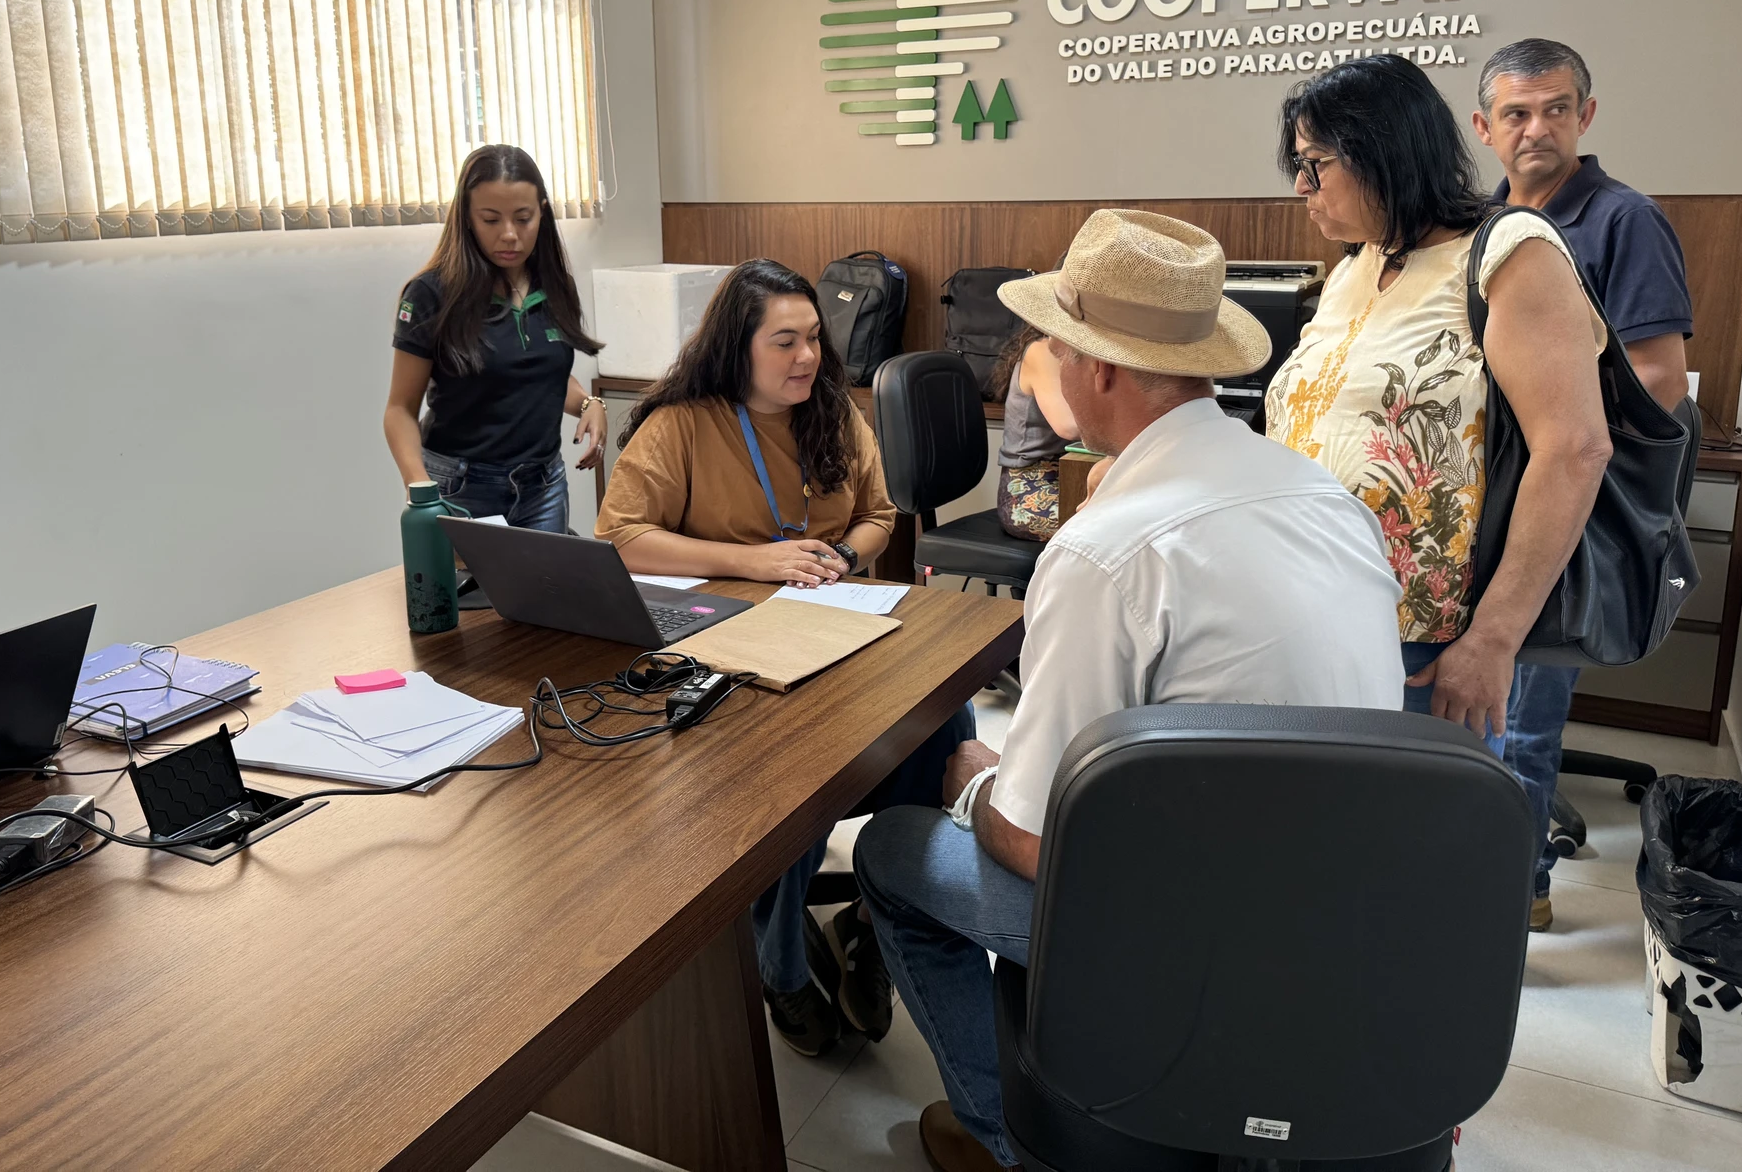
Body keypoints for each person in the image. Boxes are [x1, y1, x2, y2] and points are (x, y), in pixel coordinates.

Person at [853, 210, 1409, 1172]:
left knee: (893, 850)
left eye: (1055, 346)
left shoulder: (1106, 551)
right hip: (1341, 913)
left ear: (1098, 369)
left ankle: (1005, 1137)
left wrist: (976, 784)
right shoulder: (1327, 499)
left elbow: (1033, 842)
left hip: (1192, 945)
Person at [596, 258, 970, 1058]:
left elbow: (878, 515)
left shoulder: (834, 412)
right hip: (733, 645)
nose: (807, 358)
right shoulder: (683, 424)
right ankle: (782, 970)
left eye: (814, 339)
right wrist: (755, 561)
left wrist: (846, 556)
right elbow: (621, 537)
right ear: (737, 348)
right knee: (793, 774)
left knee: (950, 721)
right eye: (784, 342)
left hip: (834, 625)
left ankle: (871, 922)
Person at [1265, 55, 1613, 759]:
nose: (1301, 186)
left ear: (1382, 154)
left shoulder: (1509, 252)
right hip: (1307, 612)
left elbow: (1575, 448)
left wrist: (1493, 638)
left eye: (1314, 164)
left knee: (1418, 822)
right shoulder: (1355, 266)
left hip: (1422, 638)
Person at [1473, 38, 1694, 932]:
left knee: (1523, 718)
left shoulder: (1621, 220)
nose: (1537, 129)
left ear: (1585, 116)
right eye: (1517, 113)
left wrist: (1559, 448)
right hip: (1484, 503)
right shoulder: (1482, 223)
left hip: (1558, 504)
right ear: (1484, 128)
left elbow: (1661, 379)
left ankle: (1517, 891)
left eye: (1556, 109)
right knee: (1478, 708)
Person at [384, 144, 608, 531]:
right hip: (460, 488)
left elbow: (539, 374)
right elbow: (399, 410)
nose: (509, 235)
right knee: (467, 577)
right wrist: (420, 490)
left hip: (543, 486)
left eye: (523, 218)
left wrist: (589, 403)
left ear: (542, 212)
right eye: (490, 219)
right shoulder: (430, 295)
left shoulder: (556, 286)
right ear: (467, 218)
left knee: (549, 574)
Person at [989, 320, 1075, 540]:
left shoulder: (1073, 353)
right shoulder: (1041, 351)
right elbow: (1068, 427)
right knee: (1113, 529)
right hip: (1029, 490)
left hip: (1068, 477)